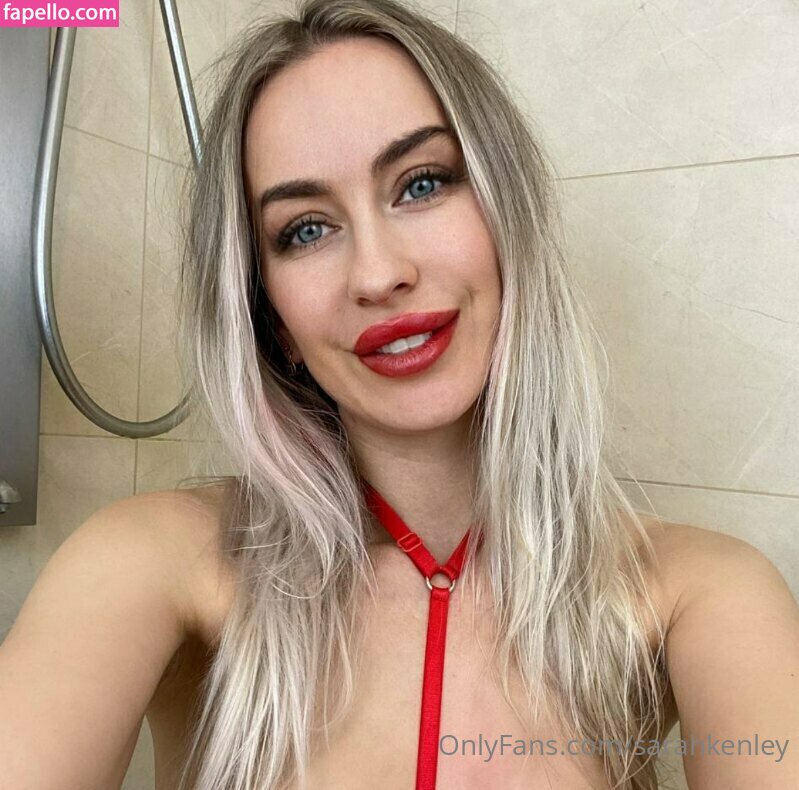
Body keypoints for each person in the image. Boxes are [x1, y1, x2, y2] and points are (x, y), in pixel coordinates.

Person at [1, 1, 798, 789]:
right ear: (271, 317)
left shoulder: (696, 591)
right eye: (305, 229)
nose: (379, 274)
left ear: (509, 221)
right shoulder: (156, 561)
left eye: (421, 183)